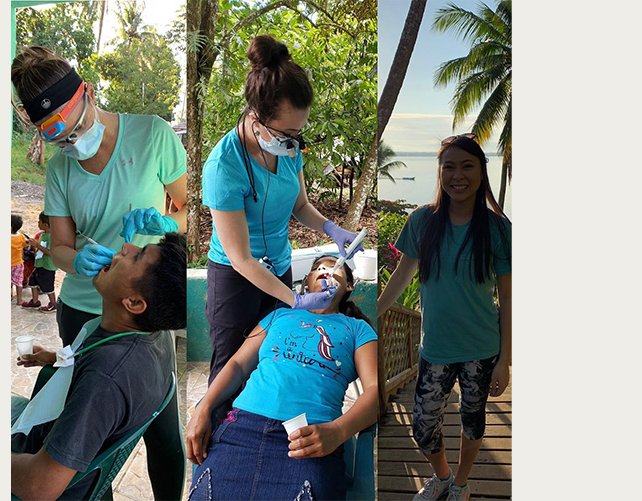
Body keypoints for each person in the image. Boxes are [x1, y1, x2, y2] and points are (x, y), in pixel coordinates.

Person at [201, 35, 365, 422]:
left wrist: (331, 228)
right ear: (257, 121)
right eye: (288, 134)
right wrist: (292, 301)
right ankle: (214, 447)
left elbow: (301, 206)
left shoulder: (289, 151)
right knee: (229, 366)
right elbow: (240, 257)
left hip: (277, 265)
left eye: (299, 133)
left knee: (272, 355)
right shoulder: (223, 166)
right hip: (234, 276)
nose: (295, 143)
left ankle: (265, 433)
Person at [11, 45, 188, 347]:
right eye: (62, 141)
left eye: (77, 128)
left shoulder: (152, 136)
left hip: (144, 306)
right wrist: (78, 260)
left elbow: (195, 212)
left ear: (89, 93)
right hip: (80, 308)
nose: (74, 144)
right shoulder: (59, 167)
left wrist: (169, 224)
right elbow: (62, 247)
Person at [376, 135, 512, 501]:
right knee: (423, 426)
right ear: (440, 172)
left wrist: (505, 360)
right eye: (449, 166)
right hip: (434, 347)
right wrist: (374, 313)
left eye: (467, 166)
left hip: (481, 349)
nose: (457, 175)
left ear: (482, 171)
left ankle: (462, 484)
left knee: (473, 421)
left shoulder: (498, 229)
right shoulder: (423, 221)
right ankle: (442, 477)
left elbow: (509, 297)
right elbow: (402, 275)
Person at [186, 255, 378, 501]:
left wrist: (338, 432)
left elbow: (373, 390)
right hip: (241, 430)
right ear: (306, 281)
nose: (324, 270)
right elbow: (236, 365)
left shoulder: (358, 329)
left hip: (309, 440)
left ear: (349, 286)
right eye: (317, 268)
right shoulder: (280, 316)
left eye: (333, 267)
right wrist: (204, 408)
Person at [11, 233, 186, 501]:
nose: (126, 246)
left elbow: (40, 487)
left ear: (135, 303)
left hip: (36, 465)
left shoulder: (105, 378)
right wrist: (54, 358)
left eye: (137, 255)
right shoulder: (155, 335)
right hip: (79, 457)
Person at [22, 211, 58, 312]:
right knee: (32, 281)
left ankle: (53, 304)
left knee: (48, 287)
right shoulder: (43, 234)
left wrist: (37, 245)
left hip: (47, 266)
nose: (38, 223)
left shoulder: (52, 237)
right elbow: (40, 249)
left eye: (39, 221)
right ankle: (35, 301)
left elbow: (51, 252)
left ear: (45, 225)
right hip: (39, 264)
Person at [11, 214, 31, 304]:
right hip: (19, 263)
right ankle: (19, 300)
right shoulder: (21, 236)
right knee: (18, 282)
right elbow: (26, 245)